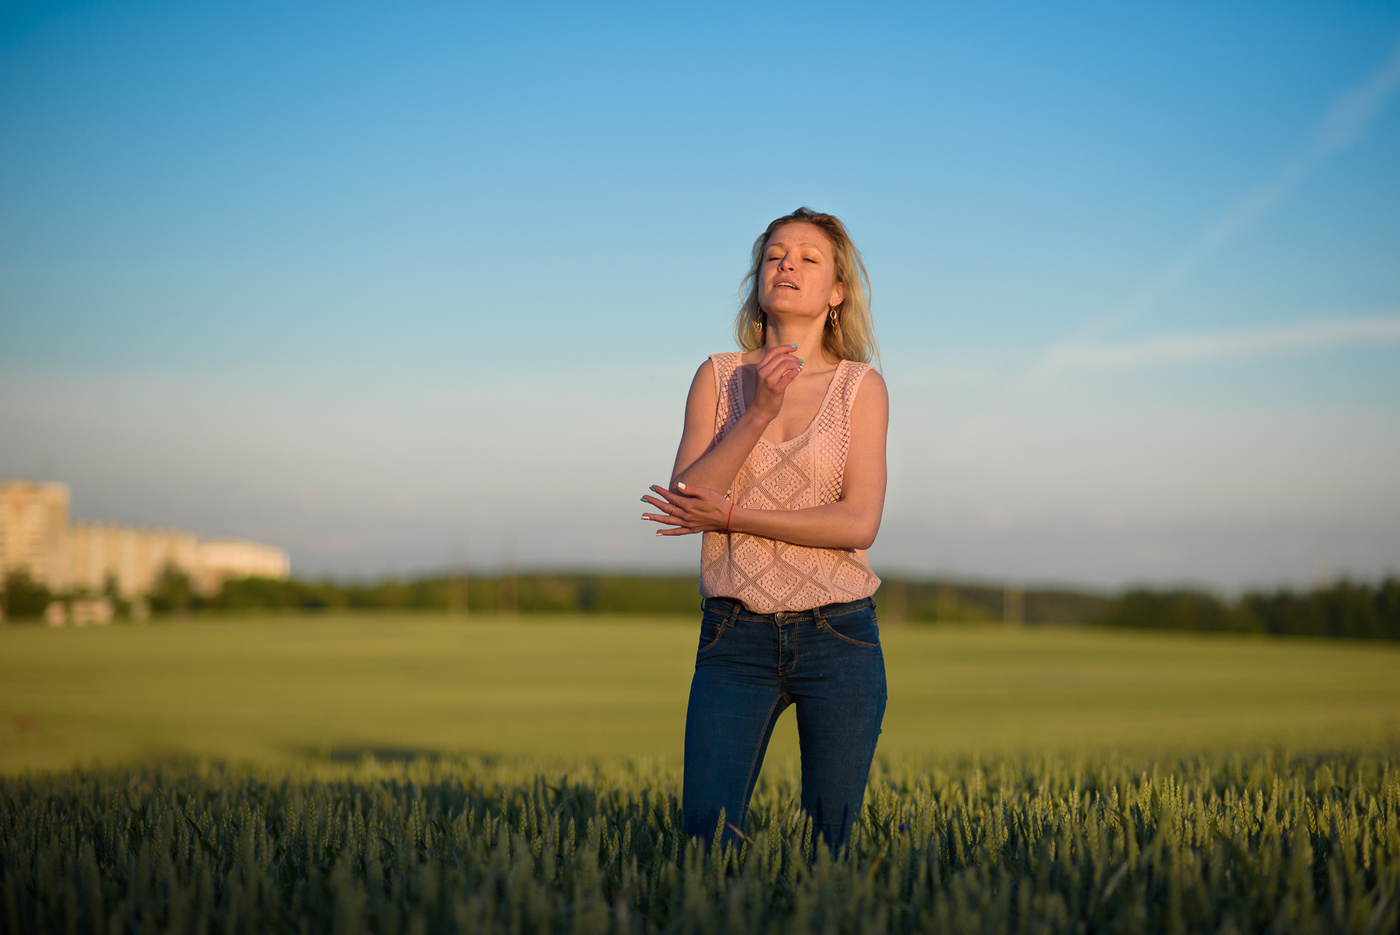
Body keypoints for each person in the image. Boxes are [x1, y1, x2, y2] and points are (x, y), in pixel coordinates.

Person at [641, 207, 888, 851]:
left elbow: (858, 522)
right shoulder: (720, 377)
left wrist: (732, 518)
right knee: (705, 843)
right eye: (775, 255)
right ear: (758, 279)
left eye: (810, 258)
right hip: (734, 637)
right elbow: (687, 498)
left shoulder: (861, 388)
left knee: (827, 849)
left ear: (837, 293)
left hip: (840, 635)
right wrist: (758, 413)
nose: (788, 265)